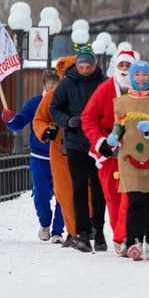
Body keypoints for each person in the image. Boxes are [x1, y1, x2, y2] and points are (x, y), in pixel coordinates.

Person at [104, 60, 149, 261]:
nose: (140, 78)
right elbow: (119, 126)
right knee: (135, 201)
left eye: (144, 74)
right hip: (130, 158)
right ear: (131, 77)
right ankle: (133, 241)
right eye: (136, 75)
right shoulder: (122, 102)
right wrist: (114, 136)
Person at [50, 44, 107, 253]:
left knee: (99, 188)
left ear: (94, 65)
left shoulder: (103, 82)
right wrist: (67, 121)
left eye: (88, 66)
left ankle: (99, 231)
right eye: (82, 66)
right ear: (77, 65)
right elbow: (54, 108)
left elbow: (111, 107)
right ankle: (82, 233)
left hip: (98, 142)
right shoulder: (67, 83)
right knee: (79, 187)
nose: (85, 70)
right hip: (75, 142)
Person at [81, 49, 136, 256]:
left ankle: (128, 236)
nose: (124, 70)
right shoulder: (104, 89)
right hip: (109, 152)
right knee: (113, 198)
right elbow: (88, 118)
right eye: (121, 65)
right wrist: (100, 141)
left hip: (135, 152)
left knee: (130, 196)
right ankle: (120, 236)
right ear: (115, 67)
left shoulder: (141, 89)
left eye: (128, 66)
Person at [2, 68, 64, 242]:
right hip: (40, 157)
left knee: (63, 194)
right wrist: (9, 119)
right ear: (44, 84)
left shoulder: (66, 102)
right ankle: (45, 223)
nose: (53, 86)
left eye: (57, 83)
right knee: (41, 195)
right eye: (50, 83)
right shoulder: (35, 103)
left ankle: (58, 230)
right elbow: (18, 123)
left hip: (61, 156)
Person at [33, 57, 78, 246]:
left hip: (84, 148)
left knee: (84, 191)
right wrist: (46, 131)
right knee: (58, 192)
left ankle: (79, 229)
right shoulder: (51, 96)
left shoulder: (94, 90)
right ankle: (64, 228)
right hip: (54, 152)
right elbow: (37, 118)